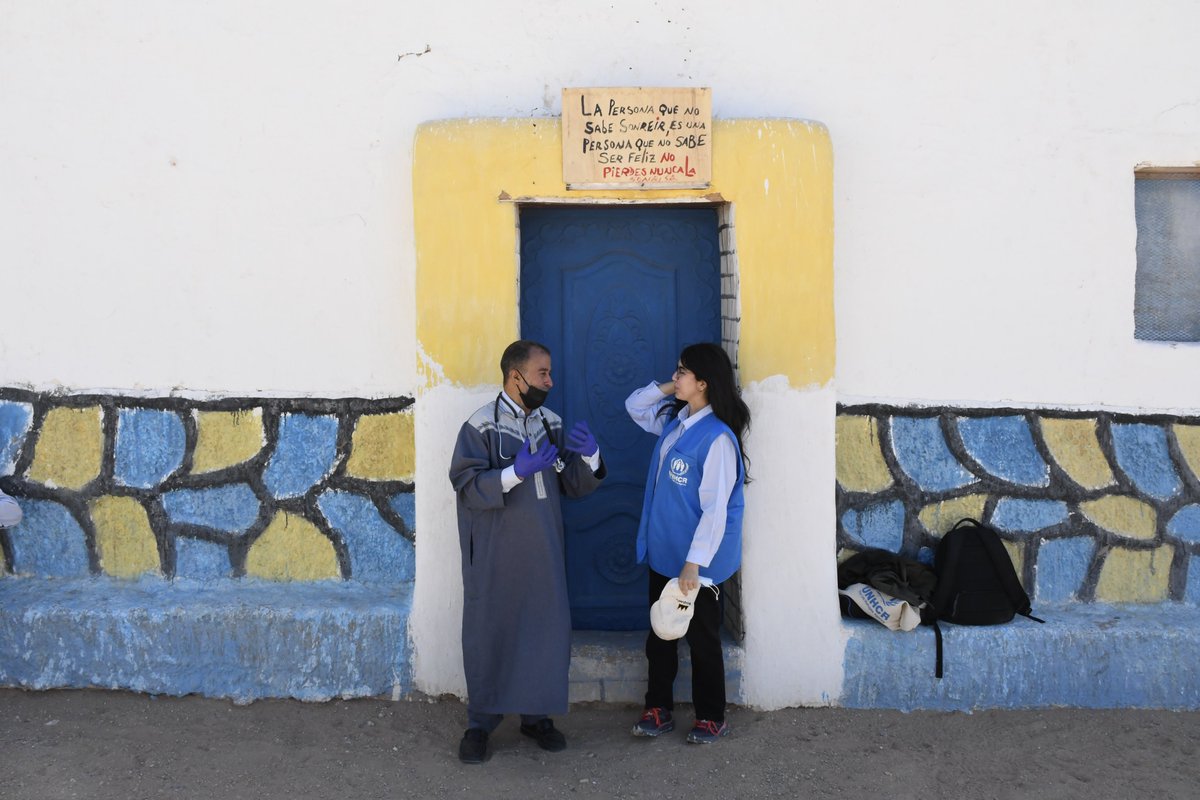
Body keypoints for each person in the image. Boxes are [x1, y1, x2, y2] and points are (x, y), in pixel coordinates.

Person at [448, 339, 606, 764]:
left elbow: (572, 482)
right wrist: (513, 473)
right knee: (490, 633)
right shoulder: (480, 426)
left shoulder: (550, 422)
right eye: (543, 373)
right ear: (515, 377)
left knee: (544, 633)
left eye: (549, 373)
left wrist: (590, 456)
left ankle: (537, 717)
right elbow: (466, 487)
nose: (550, 381)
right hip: (497, 558)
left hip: (545, 555)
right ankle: (480, 724)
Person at [624, 343, 750, 744]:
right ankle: (657, 708)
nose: (675, 377)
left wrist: (693, 564)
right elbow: (634, 406)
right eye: (677, 371)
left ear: (704, 383)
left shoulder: (717, 440)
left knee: (702, 639)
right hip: (665, 553)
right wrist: (669, 387)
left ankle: (711, 715)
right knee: (661, 633)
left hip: (698, 564)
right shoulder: (676, 422)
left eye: (682, 372)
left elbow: (714, 512)